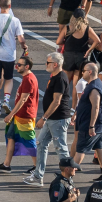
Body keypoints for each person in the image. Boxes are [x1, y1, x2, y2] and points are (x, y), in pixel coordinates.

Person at [26, 52, 74, 186]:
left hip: (57, 119)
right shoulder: (55, 76)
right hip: (52, 119)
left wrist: (44, 118)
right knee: (41, 143)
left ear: (55, 64)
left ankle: (68, 178)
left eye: (47, 62)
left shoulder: (60, 78)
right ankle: (37, 176)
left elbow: (56, 101)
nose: (45, 64)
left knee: (61, 148)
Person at [0, 56, 38, 172]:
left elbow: (23, 100)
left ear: (27, 66)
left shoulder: (29, 79)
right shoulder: (26, 78)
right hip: (19, 115)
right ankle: (6, 164)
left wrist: (10, 114)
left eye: (19, 64)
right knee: (10, 136)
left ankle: (37, 166)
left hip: (25, 116)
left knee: (29, 140)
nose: (16, 66)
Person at [73, 63, 102, 171]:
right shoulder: (96, 83)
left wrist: (91, 126)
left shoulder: (94, 87)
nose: (82, 73)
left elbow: (96, 107)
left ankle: (68, 175)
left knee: (80, 150)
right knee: (100, 148)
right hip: (100, 125)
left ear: (89, 72)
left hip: (90, 125)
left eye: (83, 71)